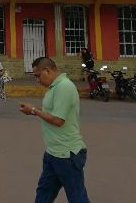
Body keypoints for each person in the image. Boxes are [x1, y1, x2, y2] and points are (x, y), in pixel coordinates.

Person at [20, 57, 89, 203]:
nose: (37, 80)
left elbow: (58, 120)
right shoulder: (54, 87)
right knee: (44, 192)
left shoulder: (64, 87)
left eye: (38, 75)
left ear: (48, 70)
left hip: (67, 154)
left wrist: (33, 110)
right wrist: (34, 111)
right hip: (53, 152)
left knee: (77, 197)